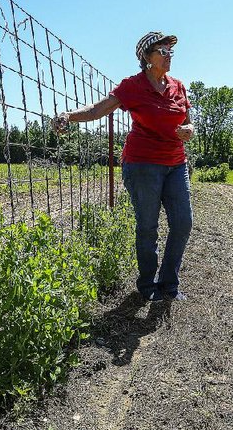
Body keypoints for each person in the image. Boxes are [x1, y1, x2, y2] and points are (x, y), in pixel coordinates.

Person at [54, 31, 194, 302]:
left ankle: (169, 284)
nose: (169, 57)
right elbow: (98, 109)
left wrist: (188, 129)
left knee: (183, 223)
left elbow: (187, 120)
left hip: (176, 163)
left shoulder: (178, 85)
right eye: (162, 52)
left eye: (170, 52)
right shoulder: (133, 86)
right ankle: (148, 285)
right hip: (143, 164)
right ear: (147, 57)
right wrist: (67, 116)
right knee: (148, 227)